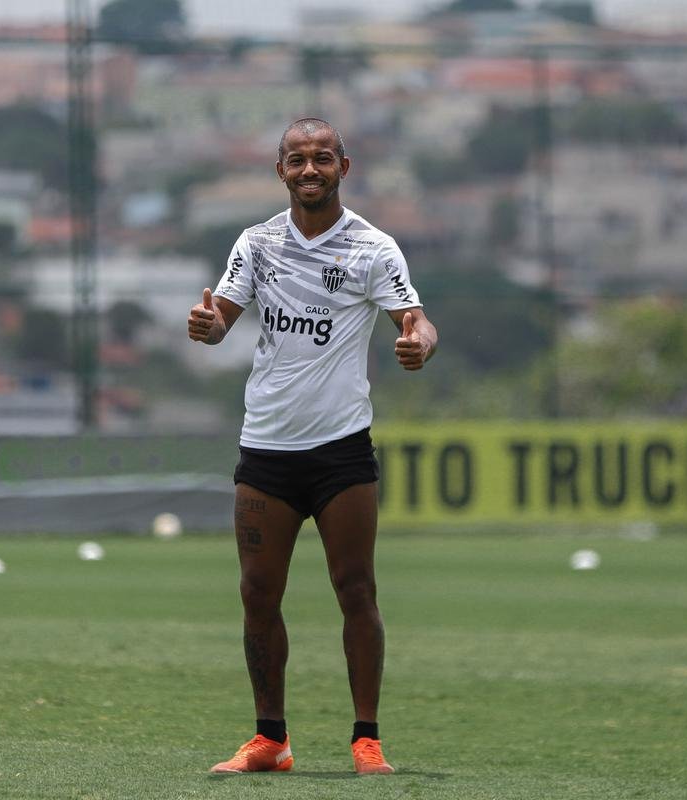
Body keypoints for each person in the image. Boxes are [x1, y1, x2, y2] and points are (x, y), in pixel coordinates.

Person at [187, 117, 438, 775]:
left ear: (342, 168)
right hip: (266, 449)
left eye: (321, 159)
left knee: (355, 589)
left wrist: (419, 343)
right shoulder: (257, 243)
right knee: (256, 593)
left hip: (339, 451)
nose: (308, 170)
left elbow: (413, 318)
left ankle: (366, 740)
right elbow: (222, 323)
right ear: (280, 171)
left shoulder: (372, 248)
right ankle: (270, 740)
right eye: (296, 160)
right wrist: (208, 325)